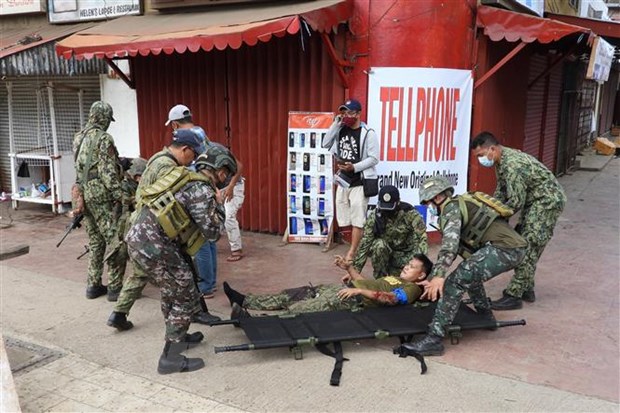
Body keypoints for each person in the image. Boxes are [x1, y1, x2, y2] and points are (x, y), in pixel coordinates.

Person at [125, 145, 236, 374]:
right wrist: (219, 204)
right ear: (217, 170)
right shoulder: (202, 190)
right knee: (185, 292)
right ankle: (171, 357)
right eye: (225, 173)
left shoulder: (186, 177)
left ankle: (179, 335)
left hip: (143, 240)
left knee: (173, 288)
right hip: (153, 246)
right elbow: (213, 232)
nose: (225, 178)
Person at [400, 176, 527, 356]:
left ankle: (434, 339)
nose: (428, 206)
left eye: (428, 202)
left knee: (454, 282)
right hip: (511, 248)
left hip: (506, 249)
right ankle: (485, 315)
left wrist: (439, 277)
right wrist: (433, 277)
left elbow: (450, 246)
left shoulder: (451, 209)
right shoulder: (458, 205)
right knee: (469, 272)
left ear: (437, 198)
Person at [107, 129, 218, 331]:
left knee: (144, 273)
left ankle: (119, 314)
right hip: (152, 228)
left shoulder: (159, 157)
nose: (193, 159)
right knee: (178, 274)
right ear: (185, 149)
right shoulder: (167, 166)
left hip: (143, 224)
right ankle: (188, 317)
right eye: (193, 154)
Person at [470, 132, 567, 310]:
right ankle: (526, 288)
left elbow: (515, 202)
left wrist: (496, 221)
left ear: (492, 149)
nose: (480, 160)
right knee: (520, 240)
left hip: (547, 202)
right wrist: (490, 209)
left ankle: (513, 296)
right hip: (534, 201)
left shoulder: (512, 164)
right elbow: (501, 191)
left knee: (529, 244)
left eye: (481, 155)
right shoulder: (501, 160)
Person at [166, 104, 246, 298]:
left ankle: (206, 286)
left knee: (199, 240)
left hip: (200, 193)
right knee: (209, 238)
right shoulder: (203, 136)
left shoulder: (187, 141)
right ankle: (209, 282)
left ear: (175, 125)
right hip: (209, 190)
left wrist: (228, 187)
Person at [223, 253, 433, 316]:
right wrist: (348, 268)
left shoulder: (412, 289)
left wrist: (359, 291)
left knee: (300, 309)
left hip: (353, 299)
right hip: (347, 290)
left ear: (421, 275)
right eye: (407, 264)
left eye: (412, 267)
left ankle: (253, 322)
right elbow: (363, 282)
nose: (406, 267)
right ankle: (246, 300)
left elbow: (392, 299)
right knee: (295, 294)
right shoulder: (395, 278)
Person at [72, 101, 125, 301]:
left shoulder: (78, 137)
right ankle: (115, 288)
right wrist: (120, 195)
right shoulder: (104, 138)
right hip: (99, 193)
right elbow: (107, 172)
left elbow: (78, 168)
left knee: (95, 240)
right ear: (103, 118)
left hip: (83, 191)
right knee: (113, 240)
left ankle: (93, 285)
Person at [322, 98, 379, 263]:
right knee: (344, 217)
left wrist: (354, 167)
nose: (346, 115)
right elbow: (325, 143)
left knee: (358, 219)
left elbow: (374, 158)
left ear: (358, 114)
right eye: (344, 112)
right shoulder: (340, 129)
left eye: (350, 112)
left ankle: (352, 252)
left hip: (360, 181)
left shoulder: (368, 133)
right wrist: (336, 124)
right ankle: (359, 244)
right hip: (343, 180)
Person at [352, 185, 428, 278]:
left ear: (398, 202)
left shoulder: (410, 214)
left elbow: (422, 240)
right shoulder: (375, 216)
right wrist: (354, 271)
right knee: (378, 245)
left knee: (403, 281)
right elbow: (365, 243)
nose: (387, 211)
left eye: (390, 207)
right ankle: (380, 279)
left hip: (406, 257)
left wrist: (419, 268)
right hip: (386, 255)